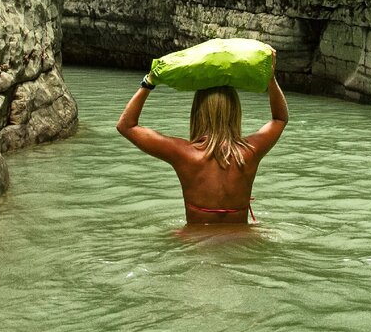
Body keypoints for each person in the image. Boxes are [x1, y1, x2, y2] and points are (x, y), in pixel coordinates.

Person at [116, 48, 289, 225]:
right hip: (243, 238)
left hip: (195, 243)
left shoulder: (183, 154)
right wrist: (271, 78)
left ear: (197, 113)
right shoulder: (250, 152)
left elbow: (126, 125)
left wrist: (149, 82)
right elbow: (280, 119)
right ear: (236, 111)